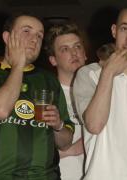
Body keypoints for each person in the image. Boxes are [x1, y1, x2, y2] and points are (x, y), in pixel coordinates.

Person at [0, 13, 74, 180]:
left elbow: (66, 142)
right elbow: (0, 110)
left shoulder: (49, 80)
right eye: (27, 31)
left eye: (39, 35)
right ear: (7, 37)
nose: (35, 39)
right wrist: (18, 64)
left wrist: (58, 125)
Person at [73, 8, 127, 180]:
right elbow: (94, 125)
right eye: (125, 29)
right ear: (114, 31)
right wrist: (108, 73)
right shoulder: (89, 73)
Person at [45, 20, 87, 180]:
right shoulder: (46, 95)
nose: (74, 53)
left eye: (77, 46)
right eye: (65, 49)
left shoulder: (102, 88)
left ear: (85, 53)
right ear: (53, 60)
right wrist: (70, 150)